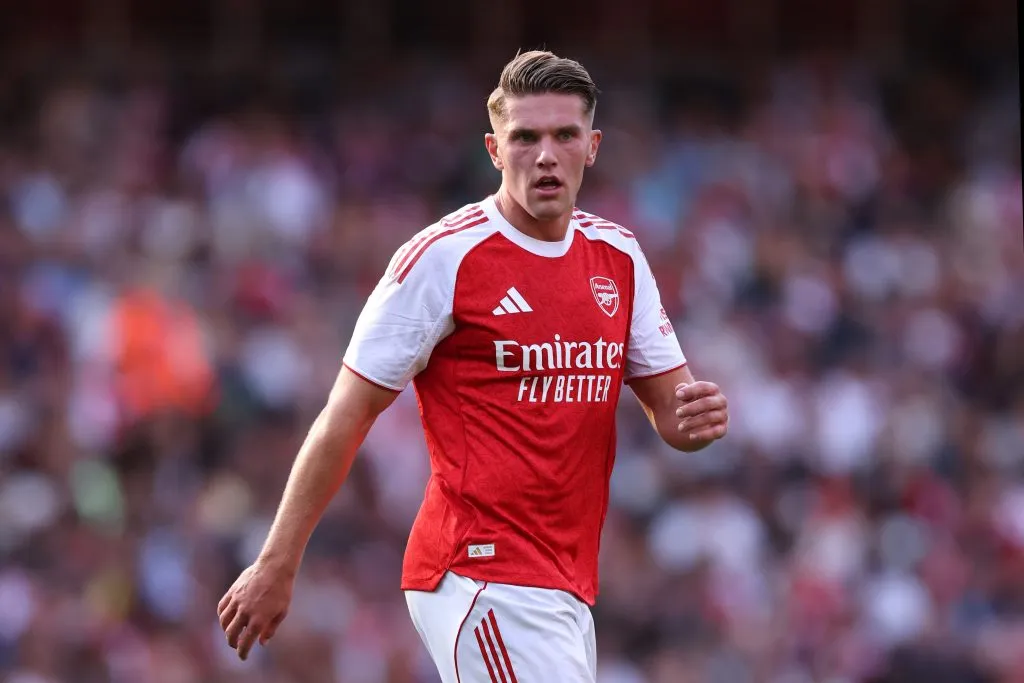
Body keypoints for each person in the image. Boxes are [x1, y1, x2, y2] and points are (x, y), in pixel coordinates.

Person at [217, 49, 729, 682]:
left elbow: (671, 410)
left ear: (592, 147)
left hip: (565, 580)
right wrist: (277, 561)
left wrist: (696, 418)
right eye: (526, 137)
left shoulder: (617, 256)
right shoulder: (443, 259)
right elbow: (346, 414)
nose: (546, 154)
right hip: (479, 572)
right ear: (494, 149)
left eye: (564, 135)